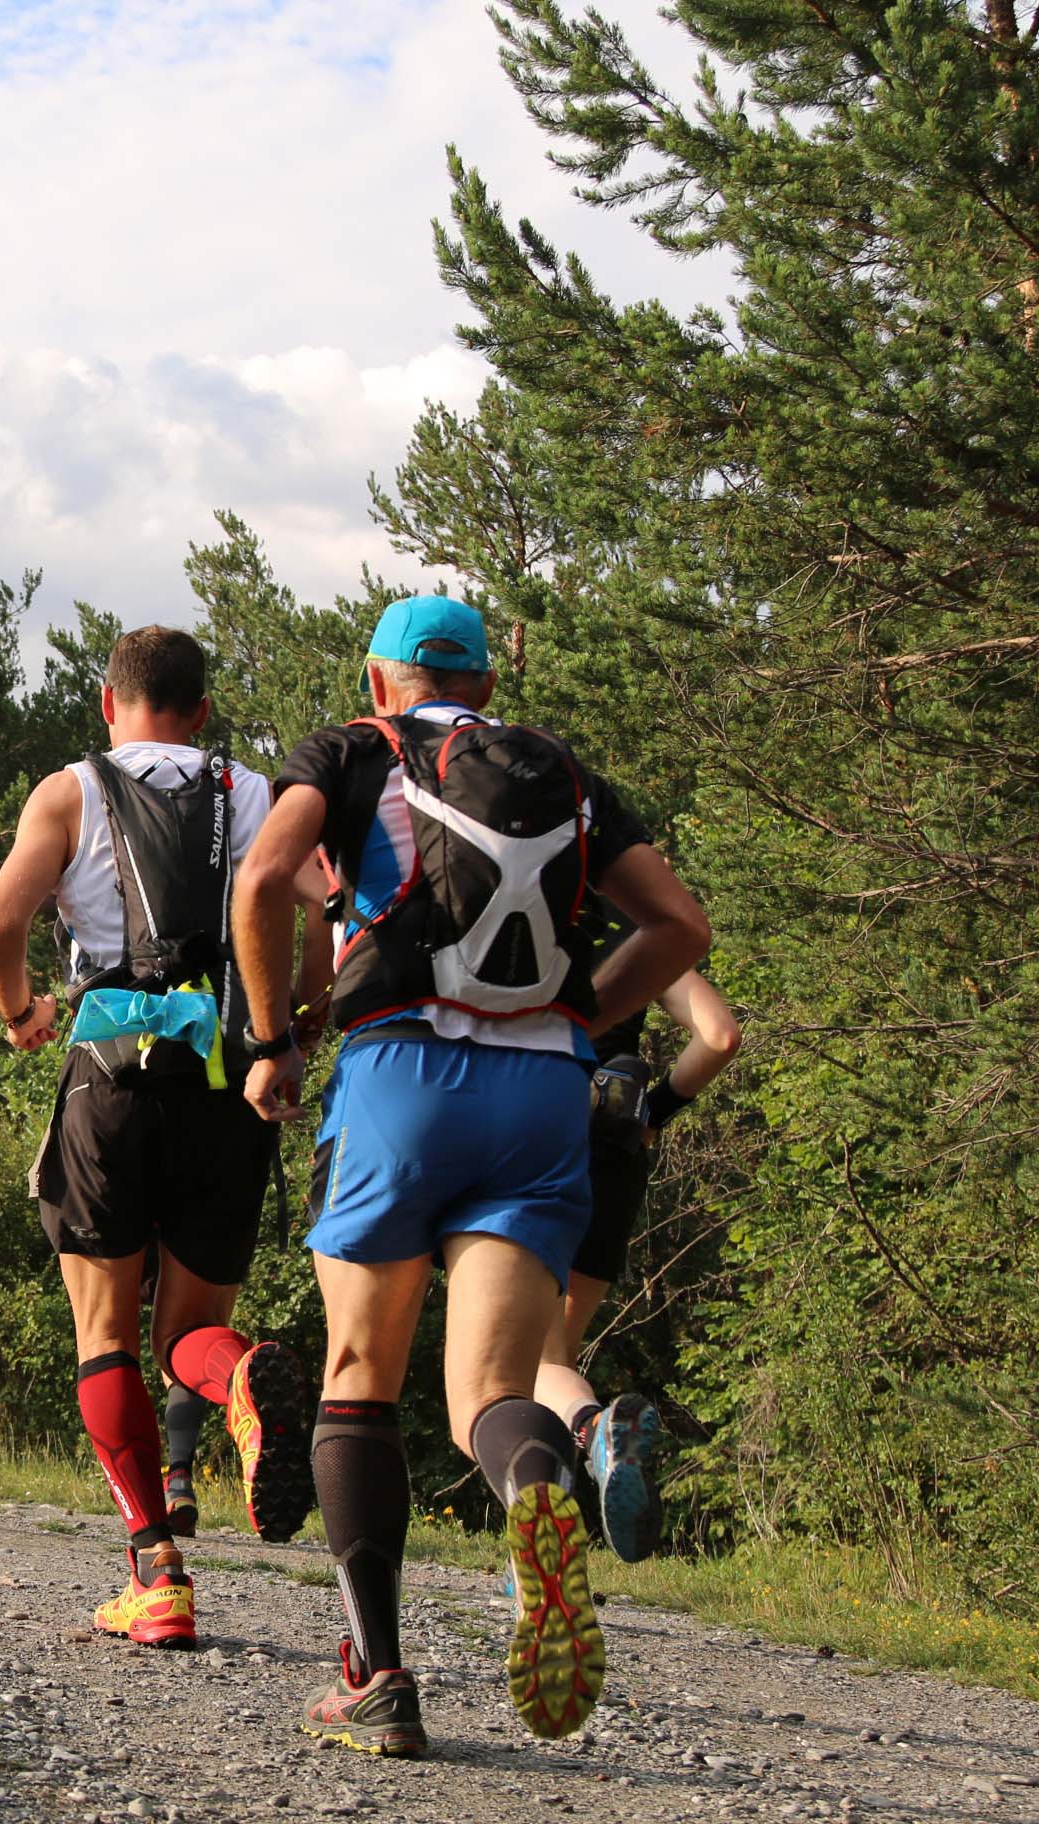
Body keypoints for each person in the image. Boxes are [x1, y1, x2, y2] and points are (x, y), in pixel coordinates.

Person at [232, 593, 711, 1755]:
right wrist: (579, 1016)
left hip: (400, 1076)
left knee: (358, 1376)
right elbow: (680, 928)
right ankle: (537, 1486)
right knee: (494, 1392)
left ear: (377, 677)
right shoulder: (566, 772)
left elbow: (262, 879)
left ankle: (378, 1677)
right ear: (486, 687)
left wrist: (271, 1040)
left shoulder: (352, 750)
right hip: (542, 1095)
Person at [0, 624, 334, 1651]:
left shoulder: (70, 791)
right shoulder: (256, 794)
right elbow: (335, 915)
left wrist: (18, 1014)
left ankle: (155, 1575)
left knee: (105, 1336)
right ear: (204, 709)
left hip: (111, 1079)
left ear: (107, 702)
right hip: (226, 1080)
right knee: (185, 1338)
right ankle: (241, 1380)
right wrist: (296, 1020)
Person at [538, 935, 739, 1558]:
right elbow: (720, 1036)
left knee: (523, 1367)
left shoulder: (519, 910)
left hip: (534, 1137)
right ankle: (553, 1531)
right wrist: (656, 1111)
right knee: (554, 1361)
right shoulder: (641, 940)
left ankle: (590, 1435)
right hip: (615, 1154)